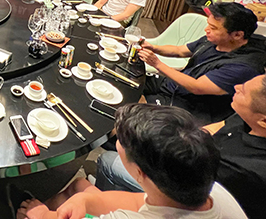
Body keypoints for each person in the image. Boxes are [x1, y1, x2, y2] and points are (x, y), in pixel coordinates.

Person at [15, 104, 246, 219]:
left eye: (121, 142)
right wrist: (86, 199)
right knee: (79, 188)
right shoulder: (212, 191)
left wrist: (43, 216)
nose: (118, 141)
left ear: (139, 173)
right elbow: (140, 202)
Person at [96, 75, 266, 218]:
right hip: (183, 190)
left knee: (107, 160)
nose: (236, 87)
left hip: (174, 188)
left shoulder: (249, 172)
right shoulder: (216, 192)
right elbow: (212, 128)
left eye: (244, 91)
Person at [140, 2, 266, 124]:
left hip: (192, 105)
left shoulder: (243, 67)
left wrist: (157, 64)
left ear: (237, 35)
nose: (206, 30)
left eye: (213, 28)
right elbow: (180, 50)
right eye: (208, 25)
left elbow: (196, 87)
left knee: (136, 111)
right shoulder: (214, 40)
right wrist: (153, 47)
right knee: (134, 79)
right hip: (175, 86)